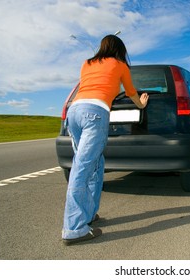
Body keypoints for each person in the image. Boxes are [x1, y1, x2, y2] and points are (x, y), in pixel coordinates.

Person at [62, 35, 149, 246]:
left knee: (95, 165)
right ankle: (73, 229)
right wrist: (142, 104)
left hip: (74, 112)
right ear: (120, 49)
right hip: (95, 113)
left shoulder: (87, 63)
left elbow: (89, 85)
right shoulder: (120, 65)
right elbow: (130, 92)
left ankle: (88, 214)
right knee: (82, 169)